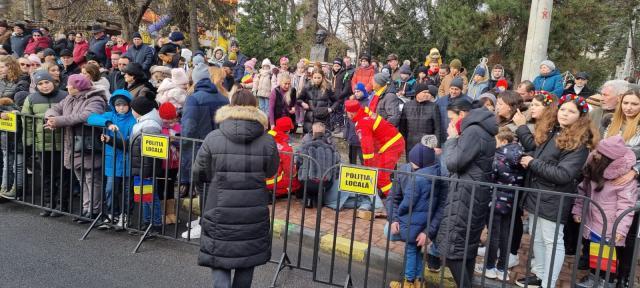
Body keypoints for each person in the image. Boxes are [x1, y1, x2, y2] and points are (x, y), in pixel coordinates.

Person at [192, 89, 279, 288]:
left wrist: (208, 185)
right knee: (246, 260)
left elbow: (199, 171)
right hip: (253, 208)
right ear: (255, 108)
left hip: (218, 204)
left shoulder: (213, 137)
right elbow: (271, 171)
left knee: (219, 256)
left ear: (230, 107)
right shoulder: (267, 140)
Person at [515, 94, 597, 288]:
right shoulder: (554, 132)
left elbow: (564, 174)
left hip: (554, 198)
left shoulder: (580, 143)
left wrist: (532, 162)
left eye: (571, 111)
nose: (565, 114)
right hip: (537, 194)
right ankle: (541, 274)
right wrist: (529, 156)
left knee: (552, 241)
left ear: (581, 116)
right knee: (538, 238)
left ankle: (549, 283)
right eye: (563, 109)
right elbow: (542, 156)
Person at [435, 97, 497, 288]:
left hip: (466, 195)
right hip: (472, 193)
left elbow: (453, 163)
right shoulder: (481, 130)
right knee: (465, 248)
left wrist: (452, 139)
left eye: (451, 118)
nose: (450, 123)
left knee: (452, 249)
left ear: (462, 115)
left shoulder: (473, 131)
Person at [571, 135, 637, 287]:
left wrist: (621, 229)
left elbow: (626, 206)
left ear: (609, 159)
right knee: (594, 252)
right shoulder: (593, 167)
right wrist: (578, 210)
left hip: (610, 226)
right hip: (592, 221)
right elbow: (583, 191)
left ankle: (606, 281)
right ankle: (594, 278)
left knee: (607, 257)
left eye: (600, 153)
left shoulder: (625, 180)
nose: (595, 154)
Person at [44, 74, 108, 221]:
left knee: (92, 179)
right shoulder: (69, 98)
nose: (67, 87)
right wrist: (51, 118)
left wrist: (59, 121)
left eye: (70, 85)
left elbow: (86, 116)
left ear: (77, 87)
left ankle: (94, 210)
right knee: (82, 179)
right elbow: (54, 108)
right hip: (73, 145)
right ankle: (86, 209)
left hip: (88, 145)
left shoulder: (95, 99)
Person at [387, 140, 447, 288]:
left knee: (411, 250)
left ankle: (408, 281)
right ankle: (419, 280)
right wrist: (394, 219)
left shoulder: (419, 180)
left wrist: (400, 218)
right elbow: (393, 198)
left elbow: (407, 203)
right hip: (422, 223)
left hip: (413, 223)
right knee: (417, 250)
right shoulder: (434, 172)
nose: (410, 164)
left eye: (413, 162)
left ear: (420, 164)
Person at [179, 66, 230, 239]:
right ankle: (203, 218)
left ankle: (204, 224)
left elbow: (189, 127)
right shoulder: (223, 97)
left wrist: (182, 143)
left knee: (203, 186)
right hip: (219, 146)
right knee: (209, 186)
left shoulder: (194, 98)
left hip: (199, 147)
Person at [601, 86, 640, 287]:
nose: (629, 108)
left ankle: (623, 277)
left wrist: (635, 171)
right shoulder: (612, 124)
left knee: (627, 232)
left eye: (634, 104)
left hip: (633, 189)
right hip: (609, 186)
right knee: (607, 229)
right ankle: (605, 273)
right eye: (626, 103)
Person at [478, 128, 525, 281]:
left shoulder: (497, 156)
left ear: (504, 141)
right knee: (506, 235)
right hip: (512, 201)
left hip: (495, 200)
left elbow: (489, 177)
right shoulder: (522, 157)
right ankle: (502, 269)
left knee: (493, 235)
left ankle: (490, 267)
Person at [87, 89, 136, 228]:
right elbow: (91, 118)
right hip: (112, 161)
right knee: (110, 189)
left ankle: (126, 215)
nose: (121, 108)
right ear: (113, 105)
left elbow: (129, 142)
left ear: (129, 105)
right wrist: (107, 123)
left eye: (124, 105)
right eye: (118, 105)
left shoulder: (133, 120)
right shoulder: (110, 116)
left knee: (127, 191)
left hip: (127, 161)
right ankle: (111, 214)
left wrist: (110, 139)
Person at [345, 99, 405, 197]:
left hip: (391, 146)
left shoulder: (362, 124)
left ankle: (395, 200)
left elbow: (367, 147)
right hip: (391, 143)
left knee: (381, 177)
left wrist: (368, 167)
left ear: (350, 114)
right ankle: (380, 195)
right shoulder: (365, 112)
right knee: (378, 173)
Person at [128, 96, 164, 232]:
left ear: (139, 111)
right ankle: (146, 221)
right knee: (144, 195)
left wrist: (148, 171)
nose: (131, 111)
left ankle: (155, 224)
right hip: (140, 166)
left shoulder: (150, 125)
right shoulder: (143, 122)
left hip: (146, 168)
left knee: (150, 196)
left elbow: (152, 152)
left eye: (133, 109)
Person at [296, 121, 341, 208]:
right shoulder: (331, 148)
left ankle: (307, 200)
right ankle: (320, 201)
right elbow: (337, 165)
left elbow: (298, 161)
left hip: (307, 182)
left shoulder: (306, 147)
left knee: (306, 178)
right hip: (325, 183)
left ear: (313, 134)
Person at [400, 83, 442, 157]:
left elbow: (437, 128)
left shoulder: (434, 107)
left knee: (425, 164)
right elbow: (403, 126)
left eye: (428, 92)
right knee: (410, 164)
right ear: (417, 93)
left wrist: (437, 145)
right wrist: (401, 142)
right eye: (424, 92)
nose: (427, 94)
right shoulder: (407, 105)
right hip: (410, 142)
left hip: (427, 143)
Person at [156, 102, 181, 225]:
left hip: (174, 163)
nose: (170, 121)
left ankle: (171, 212)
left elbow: (182, 142)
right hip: (162, 163)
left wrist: (175, 141)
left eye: (172, 118)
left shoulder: (178, 127)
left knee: (170, 186)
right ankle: (162, 213)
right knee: (160, 187)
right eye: (167, 119)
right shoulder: (159, 128)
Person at [266, 117, 301, 198]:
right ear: (288, 131)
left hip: (256, 178)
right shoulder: (286, 148)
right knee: (297, 183)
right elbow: (290, 171)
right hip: (272, 180)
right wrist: (295, 173)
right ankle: (276, 192)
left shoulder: (265, 138)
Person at [297, 66, 337, 133]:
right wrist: (302, 103)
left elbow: (336, 101)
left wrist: (331, 109)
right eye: (315, 78)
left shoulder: (327, 87)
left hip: (323, 118)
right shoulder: (307, 87)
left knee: (322, 140)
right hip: (310, 119)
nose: (317, 80)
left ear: (322, 77)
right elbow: (299, 99)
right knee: (308, 140)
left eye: (319, 78)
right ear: (312, 77)